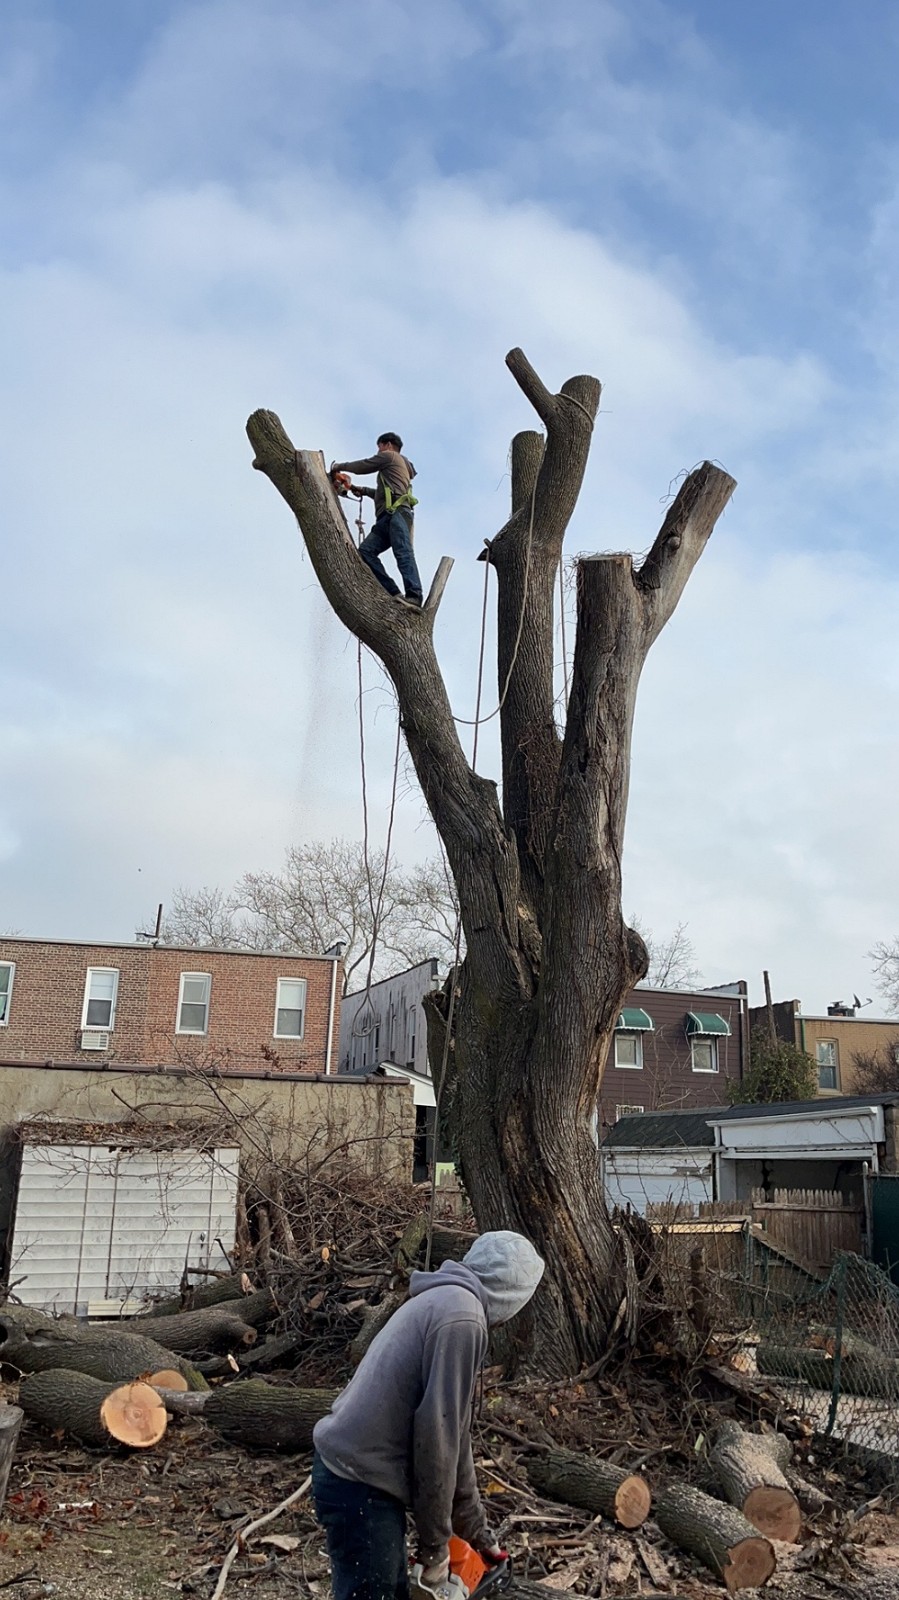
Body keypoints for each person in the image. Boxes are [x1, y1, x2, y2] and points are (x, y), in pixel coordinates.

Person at [312, 1230, 545, 1600]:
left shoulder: (447, 1299)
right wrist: (435, 1548)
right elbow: (435, 1441)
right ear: (512, 1295)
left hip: (353, 1475)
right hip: (359, 1482)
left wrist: (474, 1531)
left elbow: (454, 1438)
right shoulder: (462, 1320)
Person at [330, 433, 424, 606]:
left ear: (387, 445)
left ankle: (414, 595)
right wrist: (363, 490)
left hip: (397, 513)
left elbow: (364, 465)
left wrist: (338, 466)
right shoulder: (397, 468)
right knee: (366, 552)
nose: (378, 451)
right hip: (387, 517)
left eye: (379, 446)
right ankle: (393, 592)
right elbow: (386, 492)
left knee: (403, 552)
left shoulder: (390, 456)